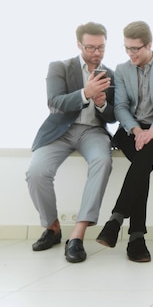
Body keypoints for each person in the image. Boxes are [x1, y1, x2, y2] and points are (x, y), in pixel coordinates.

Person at [26, 22, 115, 263]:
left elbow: (112, 116)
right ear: (79, 45)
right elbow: (54, 102)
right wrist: (85, 94)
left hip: (93, 132)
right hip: (60, 131)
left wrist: (101, 104)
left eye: (101, 47)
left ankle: (77, 235)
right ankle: (52, 227)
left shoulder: (110, 73)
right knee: (36, 172)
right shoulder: (60, 67)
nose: (97, 53)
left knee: (103, 162)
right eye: (91, 47)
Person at [96, 21, 153, 263]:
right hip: (130, 129)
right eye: (127, 48)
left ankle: (116, 221)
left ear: (149, 45)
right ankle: (136, 237)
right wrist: (136, 130)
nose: (131, 54)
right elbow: (122, 107)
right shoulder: (122, 69)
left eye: (136, 49)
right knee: (143, 164)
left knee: (143, 159)